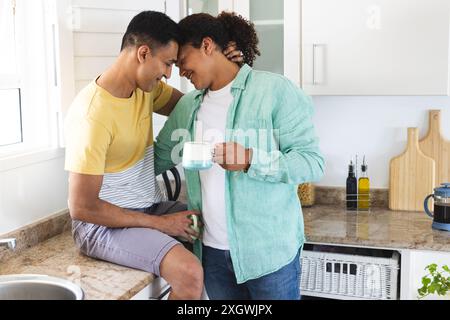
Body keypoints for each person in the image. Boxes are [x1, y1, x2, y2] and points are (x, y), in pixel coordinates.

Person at [64, 11, 242, 300]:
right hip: (99, 227)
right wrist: (162, 224)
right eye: (168, 63)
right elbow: (82, 207)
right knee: (189, 272)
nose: (170, 74)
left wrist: (225, 68)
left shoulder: (145, 89)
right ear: (143, 53)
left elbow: (196, 107)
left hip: (144, 208)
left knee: (210, 220)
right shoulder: (92, 116)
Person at [154, 12, 325, 300]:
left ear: (207, 45)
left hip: (269, 256)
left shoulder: (274, 90)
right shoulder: (188, 107)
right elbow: (155, 160)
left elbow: (311, 162)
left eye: (182, 60)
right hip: (211, 254)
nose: (180, 71)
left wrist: (250, 160)